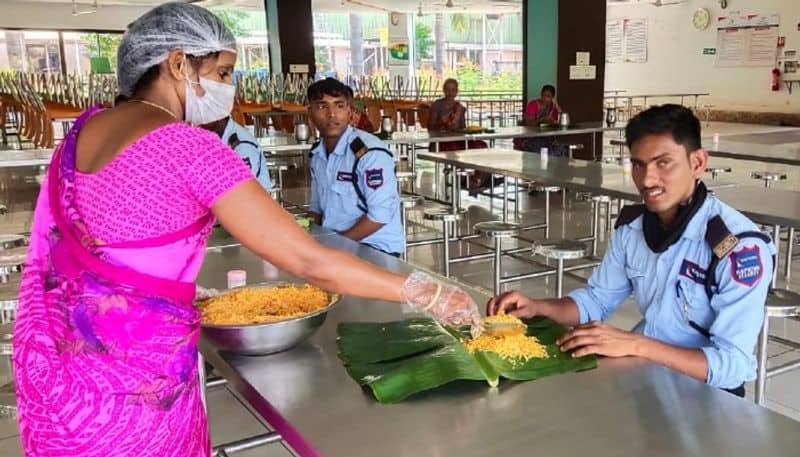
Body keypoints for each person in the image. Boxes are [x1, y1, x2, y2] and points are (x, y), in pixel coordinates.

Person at [13, 4, 481, 457]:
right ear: (178, 64)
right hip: (131, 391)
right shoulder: (189, 146)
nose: (228, 87)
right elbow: (308, 261)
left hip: (55, 374)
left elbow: (104, 247)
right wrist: (427, 291)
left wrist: (173, 286)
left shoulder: (79, 134)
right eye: (222, 73)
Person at [490, 104, 774, 396]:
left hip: (705, 397)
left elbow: (733, 366)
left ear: (698, 162)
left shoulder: (738, 248)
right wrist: (537, 307)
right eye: (638, 164)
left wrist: (635, 344)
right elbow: (596, 301)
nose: (647, 179)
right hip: (646, 377)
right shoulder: (633, 228)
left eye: (663, 163)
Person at [307, 78, 405, 257]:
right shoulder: (317, 155)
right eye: (322, 106)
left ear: (350, 112)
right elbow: (317, 208)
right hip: (335, 244)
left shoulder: (369, 154)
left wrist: (336, 247)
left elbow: (380, 215)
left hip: (374, 248)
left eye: (339, 106)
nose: (332, 114)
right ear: (310, 113)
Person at [426, 78, 488, 191]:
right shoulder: (437, 105)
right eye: (448, 90)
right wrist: (442, 123)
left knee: (481, 145)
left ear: (456, 91)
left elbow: (463, 128)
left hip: (457, 138)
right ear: (444, 90)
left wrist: (458, 129)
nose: (450, 93)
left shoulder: (460, 108)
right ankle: (464, 179)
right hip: (441, 142)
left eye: (453, 90)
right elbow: (430, 127)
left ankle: (479, 178)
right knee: (456, 151)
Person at [202, 116, 272, 190]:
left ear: (218, 117)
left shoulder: (242, 146)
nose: (199, 122)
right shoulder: (220, 137)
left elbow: (243, 186)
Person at [514, 84, 563, 153]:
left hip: (546, 136)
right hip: (531, 137)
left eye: (548, 96)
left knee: (559, 150)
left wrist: (557, 106)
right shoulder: (533, 105)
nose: (545, 98)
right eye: (543, 95)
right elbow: (529, 125)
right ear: (541, 95)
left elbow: (562, 121)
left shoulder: (553, 108)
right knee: (542, 149)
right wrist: (541, 119)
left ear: (552, 97)